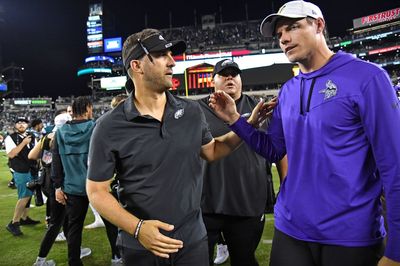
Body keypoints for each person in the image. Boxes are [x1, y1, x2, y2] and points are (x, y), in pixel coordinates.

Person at [209, 1, 400, 266]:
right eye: (279, 34)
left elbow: (394, 165)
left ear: (319, 25)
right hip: (291, 230)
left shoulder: (367, 78)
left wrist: (397, 249)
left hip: (350, 235)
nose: (284, 38)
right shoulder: (288, 90)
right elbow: (274, 149)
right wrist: (234, 119)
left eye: (293, 27)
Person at [86, 28, 254, 266]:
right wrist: (138, 229)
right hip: (141, 244)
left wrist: (246, 125)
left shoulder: (192, 111)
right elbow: (96, 191)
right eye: (161, 55)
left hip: (192, 239)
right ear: (137, 65)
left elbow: (213, 150)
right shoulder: (108, 126)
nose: (172, 62)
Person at [199, 59, 287, 266]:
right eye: (224, 73)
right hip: (204, 201)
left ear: (240, 79)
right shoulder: (197, 109)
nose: (230, 77)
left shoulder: (260, 108)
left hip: (247, 201)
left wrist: (286, 184)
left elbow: (281, 150)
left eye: (234, 73)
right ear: (213, 81)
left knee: (244, 260)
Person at [53, 97, 94, 266]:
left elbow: (56, 161)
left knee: (74, 227)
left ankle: (74, 262)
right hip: (96, 186)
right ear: (87, 109)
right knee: (112, 224)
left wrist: (57, 186)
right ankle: (117, 257)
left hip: (71, 187)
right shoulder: (95, 127)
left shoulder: (60, 132)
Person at [5, 117, 40, 236]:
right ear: (15, 126)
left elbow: (35, 151)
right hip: (20, 170)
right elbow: (11, 154)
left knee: (29, 195)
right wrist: (24, 143)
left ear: (27, 125)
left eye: (23, 123)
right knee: (25, 195)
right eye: (18, 123)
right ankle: (14, 223)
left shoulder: (32, 136)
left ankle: (25, 218)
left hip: (32, 169)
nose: (21, 124)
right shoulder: (10, 137)